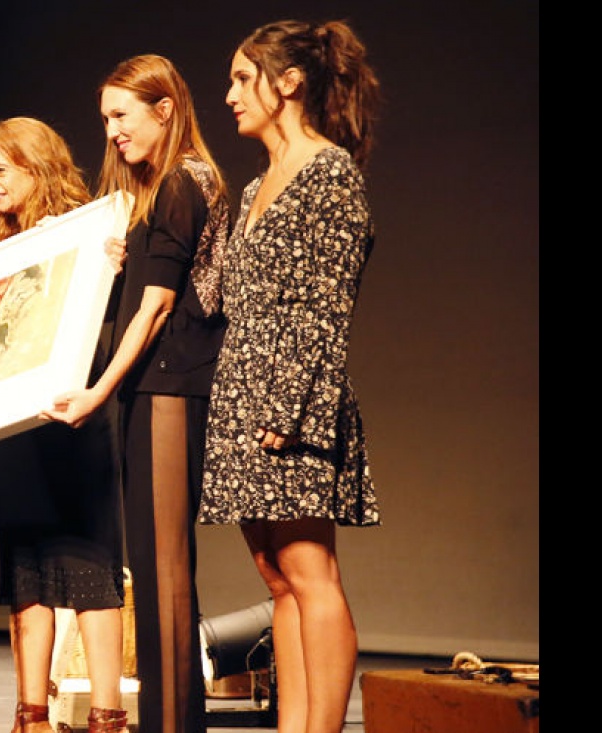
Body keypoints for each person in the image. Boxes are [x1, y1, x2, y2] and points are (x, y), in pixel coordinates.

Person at [0, 116, 130, 733]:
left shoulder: (90, 235)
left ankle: (107, 715)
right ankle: (30, 714)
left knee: (91, 566)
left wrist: (113, 268)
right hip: (17, 435)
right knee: (27, 573)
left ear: (38, 169)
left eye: (2, 170)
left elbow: (111, 318)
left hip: (75, 422)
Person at [198, 19, 383, 733]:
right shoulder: (252, 190)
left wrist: (290, 407)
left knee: (312, 574)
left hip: (290, 403)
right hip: (243, 398)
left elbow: (328, 305)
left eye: (244, 79)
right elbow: (215, 294)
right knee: (277, 578)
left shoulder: (328, 172)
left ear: (290, 83)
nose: (230, 95)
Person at [43, 54, 231, 733]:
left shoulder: (184, 180)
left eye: (121, 115)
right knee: (152, 573)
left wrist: (95, 393)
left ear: (165, 109)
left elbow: (156, 308)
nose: (112, 131)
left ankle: (173, 725)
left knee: (165, 571)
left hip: (168, 392)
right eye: (105, 119)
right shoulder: (160, 190)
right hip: (151, 394)